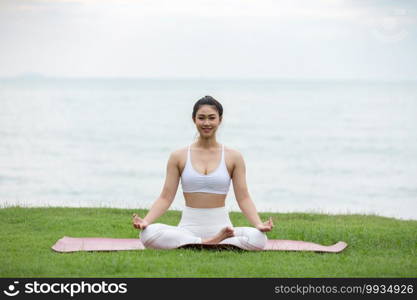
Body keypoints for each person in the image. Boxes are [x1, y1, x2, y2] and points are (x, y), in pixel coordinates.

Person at [132, 95, 274, 250]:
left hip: (223, 229)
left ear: (220, 119)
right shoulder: (178, 156)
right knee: (148, 233)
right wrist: (146, 221)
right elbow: (166, 197)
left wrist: (258, 224)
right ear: (194, 119)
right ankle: (210, 242)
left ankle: (198, 243)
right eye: (201, 118)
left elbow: (244, 197)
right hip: (187, 230)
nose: (206, 123)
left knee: (259, 238)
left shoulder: (233, 156)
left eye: (212, 118)